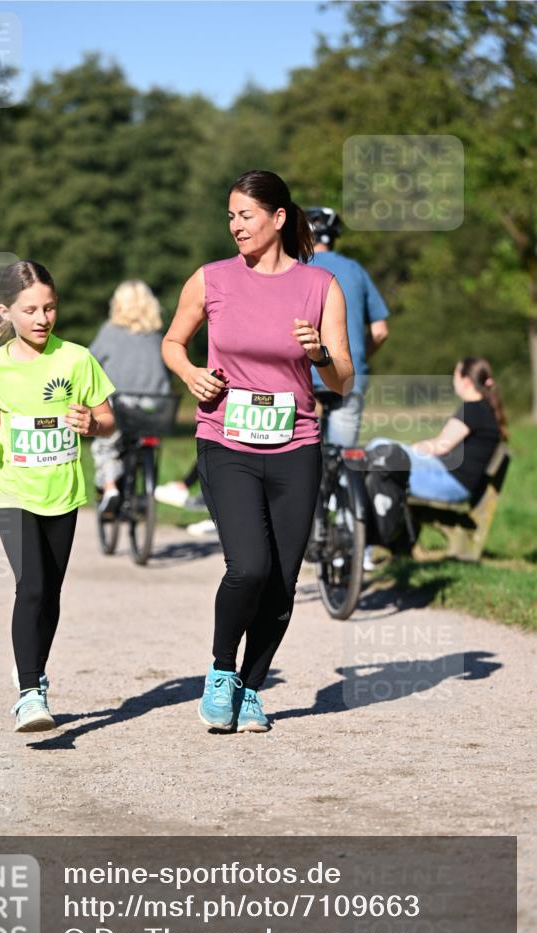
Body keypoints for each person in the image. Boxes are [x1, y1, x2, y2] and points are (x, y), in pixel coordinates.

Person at [162, 170, 353, 733]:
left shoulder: (320, 287)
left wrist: (319, 355)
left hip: (296, 444)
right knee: (249, 567)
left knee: (283, 582)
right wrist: (191, 374)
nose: (235, 226)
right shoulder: (211, 279)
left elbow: (342, 380)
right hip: (226, 440)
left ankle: (250, 687)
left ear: (278, 217)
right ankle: (221, 672)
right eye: (230, 216)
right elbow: (173, 342)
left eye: (245, 215)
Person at [0, 260, 115, 733]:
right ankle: (30, 693)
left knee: (50, 591)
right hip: (11, 487)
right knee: (30, 585)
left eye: (49, 308)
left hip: (62, 491)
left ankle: (32, 666)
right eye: (30, 310)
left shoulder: (76, 358)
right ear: (6, 312)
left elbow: (108, 419)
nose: (42, 318)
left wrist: (92, 425)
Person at [367, 356, 506, 505]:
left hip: (450, 484)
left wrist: (408, 451)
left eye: (455, 375)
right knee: (381, 451)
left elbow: (441, 446)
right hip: (449, 477)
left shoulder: (473, 409)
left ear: (466, 381)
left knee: (380, 452)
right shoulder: (482, 409)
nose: (453, 380)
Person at [306, 207, 390, 447]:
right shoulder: (355, 269)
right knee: (342, 457)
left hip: (304, 376)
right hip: (348, 377)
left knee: (301, 457)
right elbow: (380, 331)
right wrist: (358, 356)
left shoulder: (295, 268)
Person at [88, 280, 171, 518]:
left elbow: (90, 362)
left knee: (105, 444)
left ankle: (110, 488)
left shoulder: (109, 332)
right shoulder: (156, 336)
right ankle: (144, 486)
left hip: (121, 405)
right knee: (144, 443)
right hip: (154, 408)